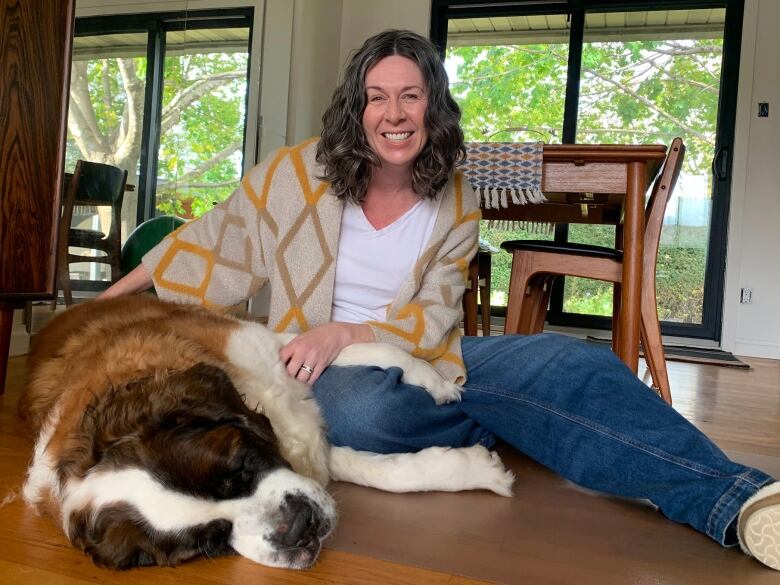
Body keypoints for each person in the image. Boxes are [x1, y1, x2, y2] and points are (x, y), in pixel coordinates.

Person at [100, 29, 780, 571]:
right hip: (323, 373)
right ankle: (509, 423)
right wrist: (103, 307)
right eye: (377, 96)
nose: (394, 113)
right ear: (355, 108)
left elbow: (436, 315)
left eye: (411, 95)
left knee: (570, 363)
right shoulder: (291, 174)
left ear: (435, 105)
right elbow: (206, 246)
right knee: (358, 410)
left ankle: (737, 498)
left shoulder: (457, 194)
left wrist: (347, 330)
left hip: (431, 356)